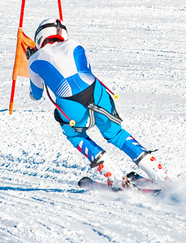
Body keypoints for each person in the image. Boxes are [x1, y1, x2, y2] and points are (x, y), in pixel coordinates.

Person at [26, 18, 170, 191]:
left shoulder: (34, 60)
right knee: (117, 134)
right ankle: (160, 175)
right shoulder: (75, 45)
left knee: (76, 136)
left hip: (71, 107)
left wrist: (32, 60)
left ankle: (118, 181)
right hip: (97, 94)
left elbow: (36, 95)